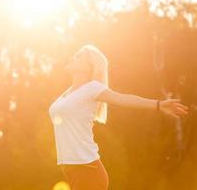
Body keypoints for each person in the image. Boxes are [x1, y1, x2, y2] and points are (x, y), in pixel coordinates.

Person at [48, 44, 189, 190]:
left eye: (78, 56)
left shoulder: (92, 88)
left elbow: (124, 99)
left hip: (88, 170)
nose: (72, 57)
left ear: (90, 67)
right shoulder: (68, 93)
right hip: (73, 170)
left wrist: (158, 104)